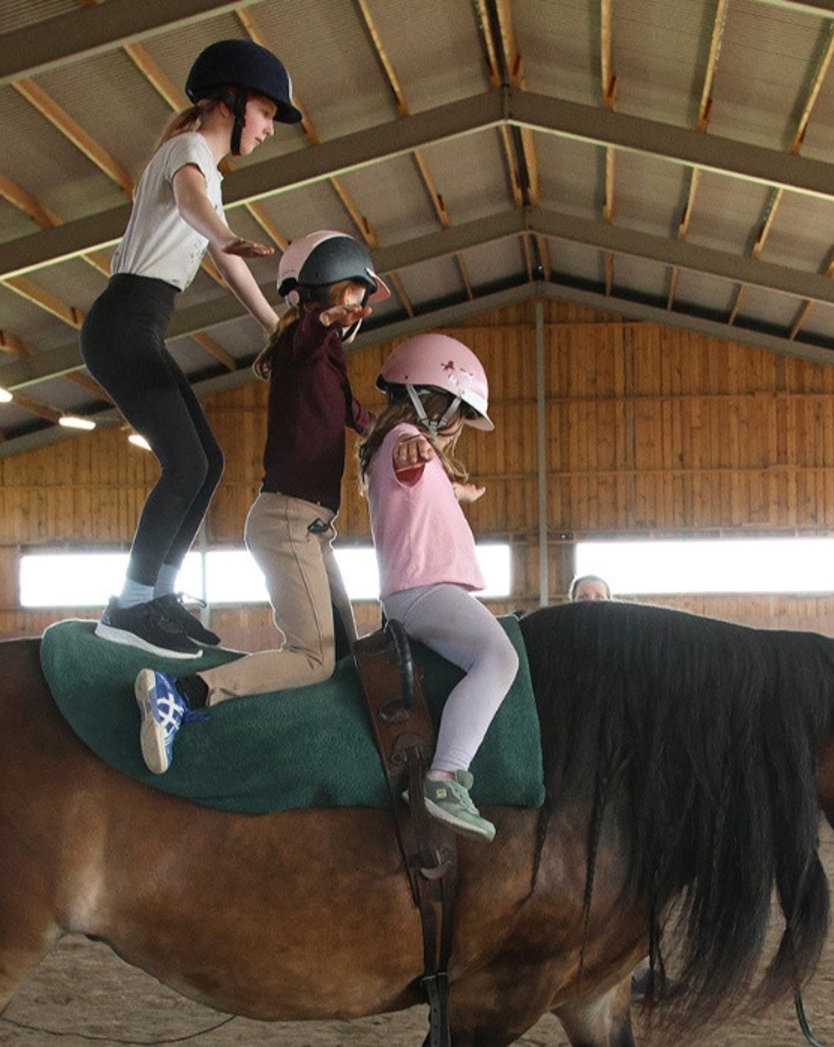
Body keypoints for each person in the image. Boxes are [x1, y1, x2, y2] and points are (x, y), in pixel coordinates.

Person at [133, 232, 388, 774]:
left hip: (312, 526)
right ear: (324, 295)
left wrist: (408, 432)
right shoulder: (302, 345)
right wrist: (324, 317)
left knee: (346, 650)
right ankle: (183, 692)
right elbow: (303, 335)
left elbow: (360, 418)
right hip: (288, 520)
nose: (356, 309)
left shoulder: (329, 363)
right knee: (314, 658)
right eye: (351, 295)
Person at [82, 39, 302, 659]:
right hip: (122, 322)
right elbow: (190, 203)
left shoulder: (210, 175)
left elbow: (227, 265)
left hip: (138, 325)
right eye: (265, 114)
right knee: (184, 463)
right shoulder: (186, 155)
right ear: (229, 104)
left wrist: (273, 324)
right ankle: (128, 605)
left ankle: (159, 598)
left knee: (207, 461)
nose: (268, 131)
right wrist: (227, 233)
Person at [358, 334, 517, 842]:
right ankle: (446, 777)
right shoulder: (406, 440)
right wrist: (419, 450)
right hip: (422, 589)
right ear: (431, 404)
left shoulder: (404, 444)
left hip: (417, 590)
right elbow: (409, 462)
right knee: (500, 658)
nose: (455, 433)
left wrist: (457, 490)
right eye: (455, 417)